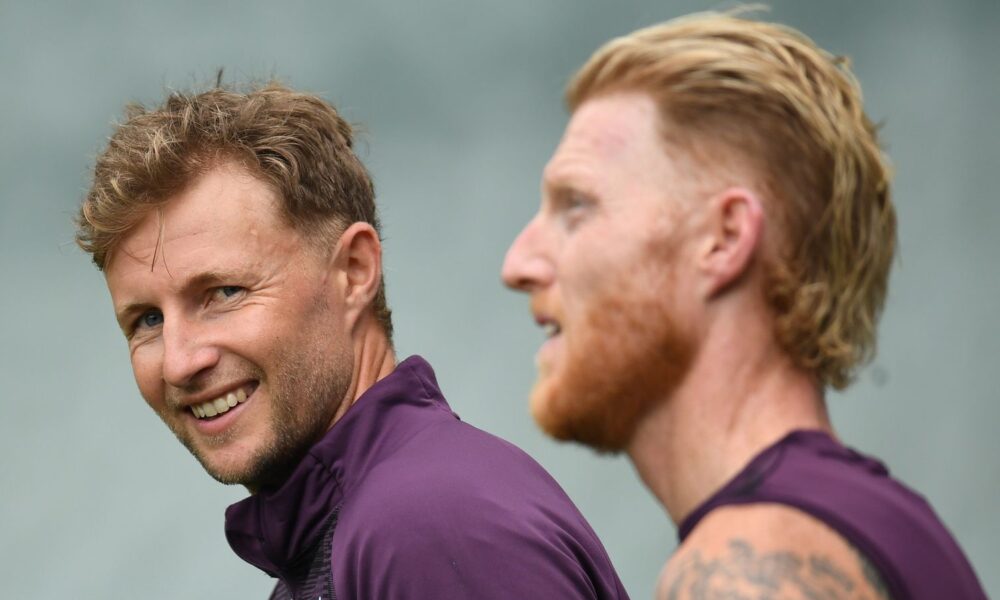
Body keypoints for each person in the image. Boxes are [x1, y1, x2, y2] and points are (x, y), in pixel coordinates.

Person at [77, 82, 628, 600]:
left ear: (355, 271)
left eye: (223, 291)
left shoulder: (428, 526)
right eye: (146, 320)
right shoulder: (354, 536)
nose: (178, 361)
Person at [502, 11, 986, 600]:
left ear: (725, 239)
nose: (518, 264)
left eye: (576, 205)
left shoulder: (751, 567)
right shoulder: (889, 526)